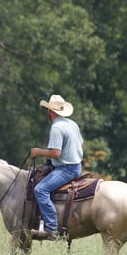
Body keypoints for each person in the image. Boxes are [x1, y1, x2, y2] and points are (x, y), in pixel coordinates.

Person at [29, 94, 84, 241]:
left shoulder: (57, 127)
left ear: (50, 112)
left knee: (40, 190)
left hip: (66, 169)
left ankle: (51, 228)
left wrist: (38, 152)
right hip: (77, 165)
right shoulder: (72, 124)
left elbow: (55, 152)